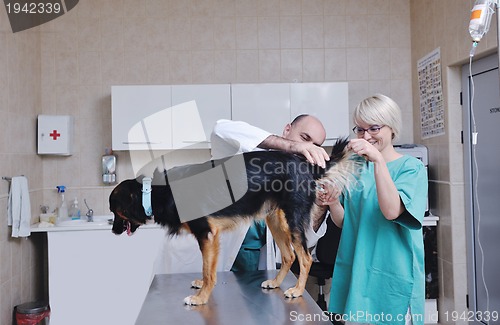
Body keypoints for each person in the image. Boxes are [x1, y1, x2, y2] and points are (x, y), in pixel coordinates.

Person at [321, 94, 428, 325]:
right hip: (359, 273)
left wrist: (378, 161)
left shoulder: (412, 168)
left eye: (374, 128)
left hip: (392, 276)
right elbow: (344, 222)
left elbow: (391, 212)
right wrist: (332, 202)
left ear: (392, 128)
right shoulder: (356, 167)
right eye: (360, 130)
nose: (366, 136)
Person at [210, 115, 331, 271]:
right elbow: (220, 128)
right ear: (287, 130)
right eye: (304, 138)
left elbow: (302, 240)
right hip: (215, 261)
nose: (307, 149)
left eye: (315, 145)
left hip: (256, 273)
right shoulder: (245, 151)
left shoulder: (298, 182)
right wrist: (292, 147)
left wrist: (321, 207)